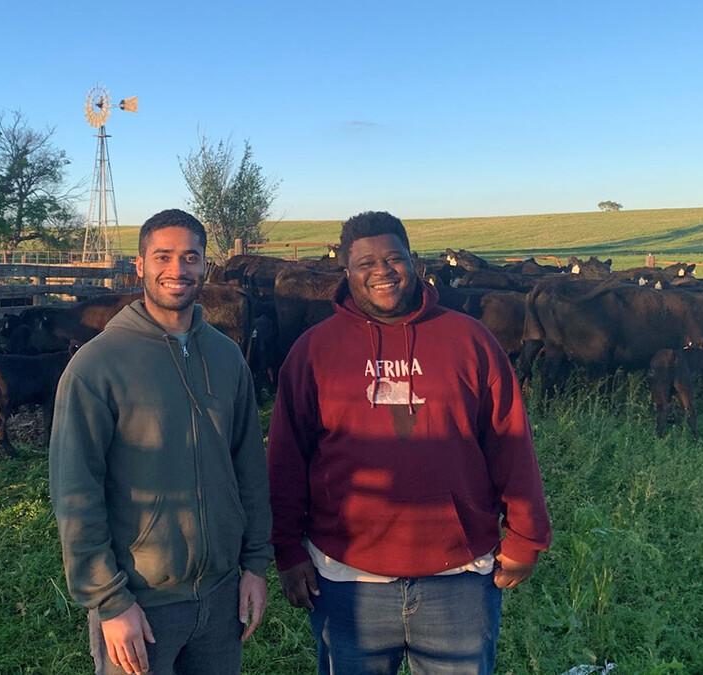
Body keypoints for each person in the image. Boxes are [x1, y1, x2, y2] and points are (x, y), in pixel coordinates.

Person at [267, 211, 552, 675]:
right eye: (365, 263)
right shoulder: (313, 351)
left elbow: (510, 441)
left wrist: (526, 535)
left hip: (458, 576)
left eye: (393, 258)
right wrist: (286, 549)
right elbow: (286, 459)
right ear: (346, 271)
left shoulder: (470, 340)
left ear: (413, 261)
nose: (381, 270)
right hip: (346, 579)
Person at [49, 208, 273, 675]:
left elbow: (249, 465)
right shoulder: (97, 366)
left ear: (206, 267)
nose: (177, 269)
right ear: (140, 265)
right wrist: (109, 601)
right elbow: (76, 493)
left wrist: (255, 564)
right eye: (163, 256)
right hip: (140, 603)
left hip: (220, 597)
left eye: (190, 257)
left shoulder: (227, 357)